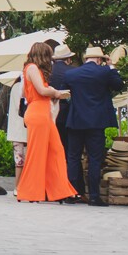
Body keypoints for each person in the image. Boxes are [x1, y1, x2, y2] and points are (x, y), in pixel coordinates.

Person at [62, 46, 127, 206]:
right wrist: (112, 67)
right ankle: (94, 196)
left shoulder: (71, 74)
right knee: (95, 159)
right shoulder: (105, 72)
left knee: (73, 157)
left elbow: (65, 91)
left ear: (86, 59)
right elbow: (119, 85)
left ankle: (71, 193)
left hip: (76, 121)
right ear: (100, 59)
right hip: (96, 122)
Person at [16, 40, 78, 204]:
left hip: (39, 112)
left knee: (55, 151)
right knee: (39, 154)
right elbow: (42, 90)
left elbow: (25, 93)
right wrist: (57, 93)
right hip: (39, 113)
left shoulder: (28, 69)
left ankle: (57, 190)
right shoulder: (33, 68)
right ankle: (30, 191)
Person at [50, 41, 78, 199]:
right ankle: (70, 188)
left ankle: (51, 189)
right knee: (69, 153)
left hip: (50, 115)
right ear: (68, 59)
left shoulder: (47, 72)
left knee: (52, 153)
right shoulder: (73, 72)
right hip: (69, 116)